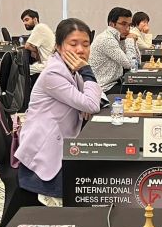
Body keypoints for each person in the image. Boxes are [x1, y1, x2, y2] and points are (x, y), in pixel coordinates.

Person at [15, 18, 101, 206]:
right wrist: (87, 71)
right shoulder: (54, 72)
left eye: (86, 44)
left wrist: (85, 101)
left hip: (63, 142)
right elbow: (91, 104)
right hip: (46, 153)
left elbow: (93, 100)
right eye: (73, 44)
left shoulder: (70, 69)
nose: (81, 50)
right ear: (59, 47)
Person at [88, 7, 138, 93]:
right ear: (112, 24)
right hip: (104, 88)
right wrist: (130, 41)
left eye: (129, 25)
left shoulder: (119, 38)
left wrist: (133, 42)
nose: (127, 29)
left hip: (115, 83)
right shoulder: (107, 39)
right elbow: (131, 65)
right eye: (123, 24)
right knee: (140, 91)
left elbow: (137, 63)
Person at [20, 9, 55, 75]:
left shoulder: (38, 27)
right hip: (49, 62)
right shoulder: (43, 27)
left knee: (21, 70)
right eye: (23, 21)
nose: (24, 23)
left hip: (48, 64)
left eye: (27, 20)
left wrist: (35, 50)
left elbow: (27, 46)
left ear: (35, 19)